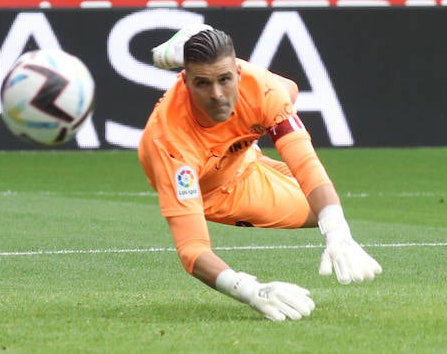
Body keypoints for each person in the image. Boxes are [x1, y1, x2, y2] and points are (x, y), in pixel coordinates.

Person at [138, 24, 380, 320]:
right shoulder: (171, 146)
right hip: (218, 187)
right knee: (316, 212)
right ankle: (194, 48)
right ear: (185, 81)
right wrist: (249, 290)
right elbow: (192, 250)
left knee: (288, 90)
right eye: (202, 83)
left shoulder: (263, 89)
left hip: (240, 148)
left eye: (225, 79)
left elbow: (305, 163)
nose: (216, 95)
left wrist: (338, 233)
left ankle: (192, 43)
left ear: (239, 73)